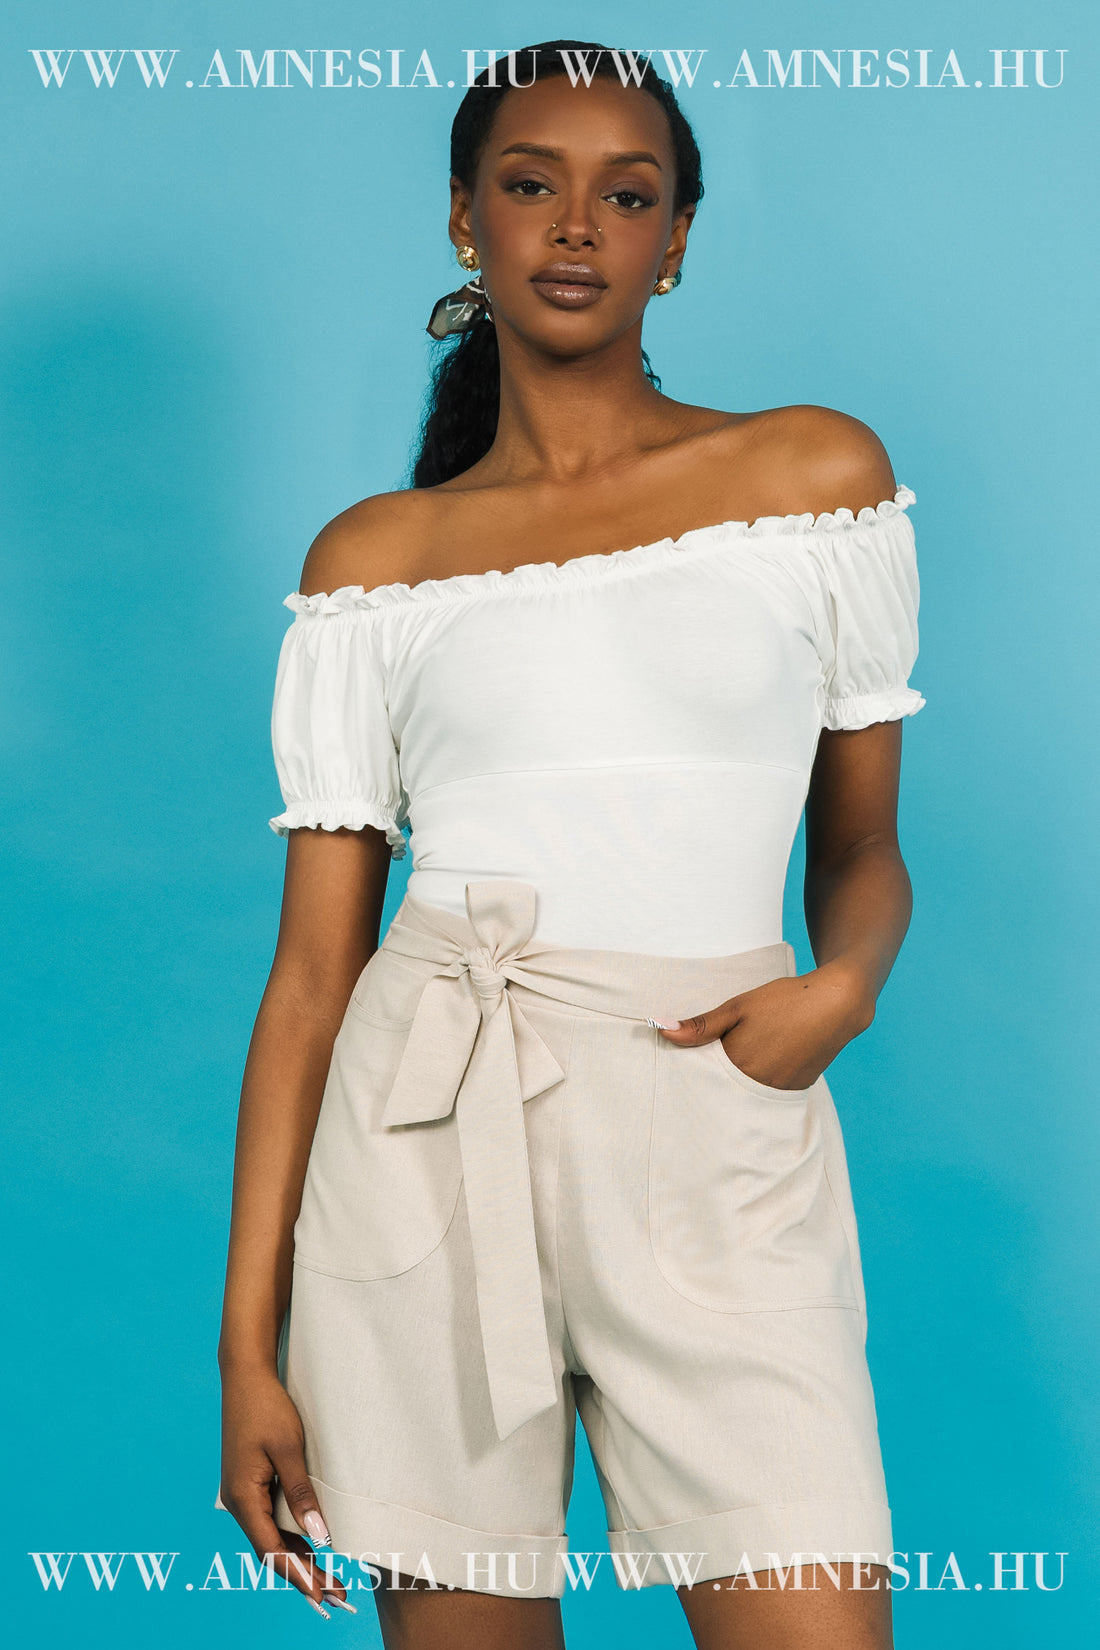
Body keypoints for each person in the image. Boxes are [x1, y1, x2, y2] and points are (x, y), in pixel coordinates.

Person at [215, 39, 924, 1650]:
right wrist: (247, 1347)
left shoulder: (814, 479)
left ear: (679, 236)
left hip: (714, 1111)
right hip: (423, 1129)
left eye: (629, 193)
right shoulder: (375, 563)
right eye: (531, 184)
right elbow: (314, 975)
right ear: (465, 218)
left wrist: (845, 987)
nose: (578, 226)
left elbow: (864, 844)